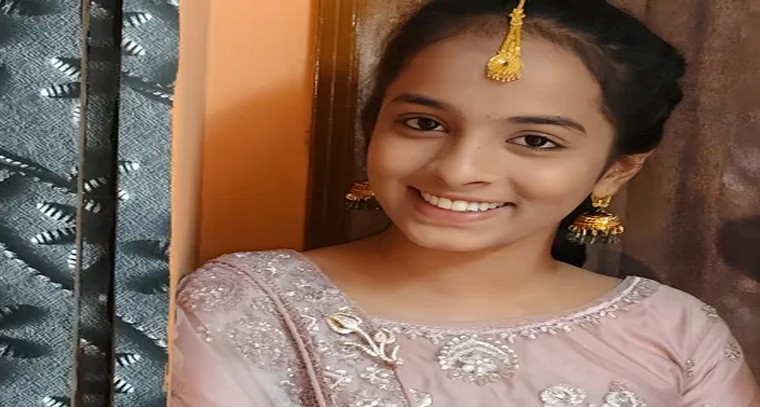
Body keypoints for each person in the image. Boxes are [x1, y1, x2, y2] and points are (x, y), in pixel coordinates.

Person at [170, 0, 760, 405]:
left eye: (535, 140)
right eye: (424, 123)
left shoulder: (674, 333)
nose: (459, 170)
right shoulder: (250, 306)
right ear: (373, 127)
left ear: (616, 169)